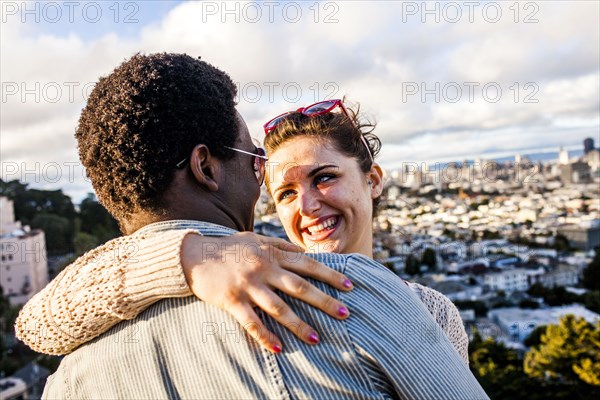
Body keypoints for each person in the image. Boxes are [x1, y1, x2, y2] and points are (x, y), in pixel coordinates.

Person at [21, 53, 488, 399]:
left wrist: (188, 255)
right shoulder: (366, 299)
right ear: (205, 167)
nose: (302, 203)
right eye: (262, 167)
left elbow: (34, 324)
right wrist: (189, 255)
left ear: (373, 181)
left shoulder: (67, 377)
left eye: (324, 177)